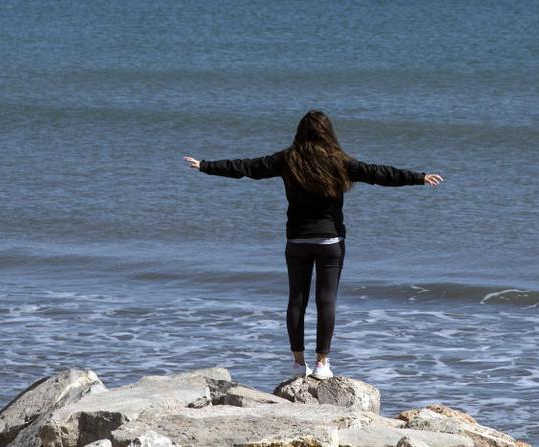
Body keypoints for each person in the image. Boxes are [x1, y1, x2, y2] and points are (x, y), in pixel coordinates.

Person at [184, 110, 443, 379]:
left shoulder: (287, 159)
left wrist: (205, 165)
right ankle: (322, 364)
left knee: (297, 299)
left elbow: (246, 168)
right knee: (326, 300)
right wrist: (418, 177)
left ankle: (297, 364)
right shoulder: (340, 162)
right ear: (328, 133)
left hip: (296, 240)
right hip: (330, 240)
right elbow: (379, 174)